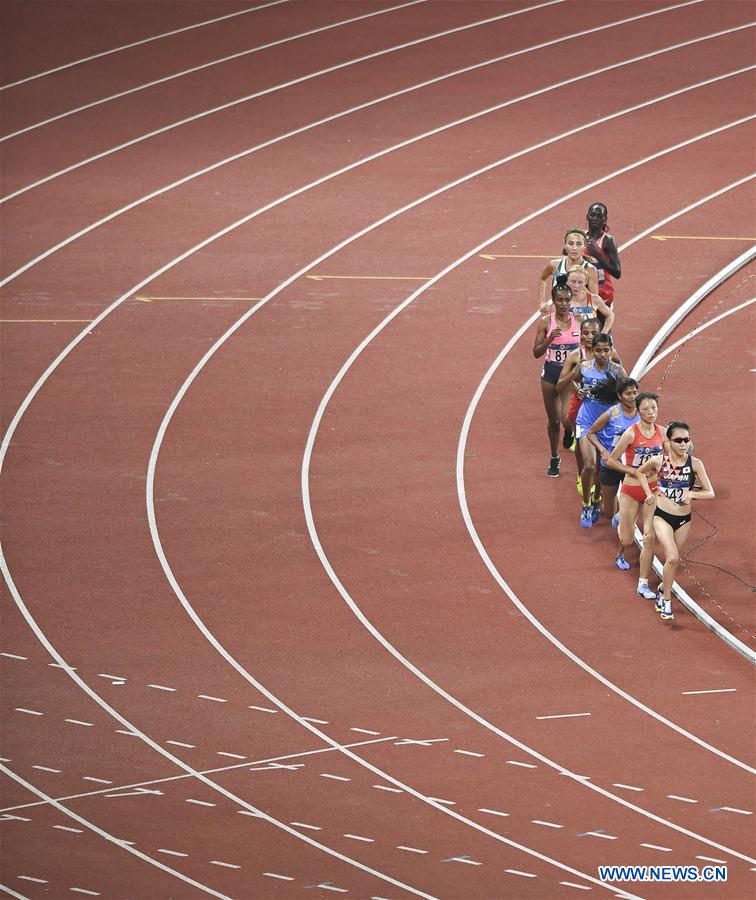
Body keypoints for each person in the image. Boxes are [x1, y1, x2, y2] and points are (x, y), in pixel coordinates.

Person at [635, 422, 715, 620]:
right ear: (669, 442)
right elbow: (639, 472)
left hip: (684, 519)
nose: (683, 444)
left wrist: (693, 495)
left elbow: (710, 493)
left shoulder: (695, 464)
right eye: (678, 440)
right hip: (662, 516)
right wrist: (648, 493)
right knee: (671, 557)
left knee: (674, 560)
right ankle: (667, 602)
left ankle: (663, 589)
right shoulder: (658, 461)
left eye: (686, 440)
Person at [605, 392, 666, 597]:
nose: (651, 412)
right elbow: (611, 460)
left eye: (654, 408)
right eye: (646, 408)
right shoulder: (631, 433)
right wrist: (632, 471)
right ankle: (621, 520)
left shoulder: (663, 433)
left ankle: (642, 584)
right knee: (627, 539)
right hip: (631, 490)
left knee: (649, 537)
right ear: (638, 411)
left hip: (653, 490)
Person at [570, 333, 626, 527]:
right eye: (598, 350)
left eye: (606, 350)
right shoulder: (584, 367)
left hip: (608, 426)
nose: (602, 354)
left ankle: (596, 499)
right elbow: (574, 381)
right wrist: (577, 390)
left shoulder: (617, 371)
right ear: (592, 351)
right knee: (589, 466)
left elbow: (628, 393)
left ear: (611, 350)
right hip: (586, 422)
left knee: (603, 468)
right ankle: (586, 503)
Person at [533, 283, 581, 477]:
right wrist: (548, 340)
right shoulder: (546, 322)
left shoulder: (578, 320)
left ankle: (569, 432)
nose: (563, 303)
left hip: (569, 374)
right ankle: (554, 457)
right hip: (551, 373)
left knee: (566, 417)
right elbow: (536, 353)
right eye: (559, 300)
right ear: (553, 301)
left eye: (567, 300)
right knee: (553, 420)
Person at [585, 378, 639, 525]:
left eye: (635, 392)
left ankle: (624, 525)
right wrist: (602, 450)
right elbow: (590, 433)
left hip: (631, 466)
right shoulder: (611, 414)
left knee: (630, 506)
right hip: (611, 465)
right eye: (628, 393)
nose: (633, 396)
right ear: (620, 396)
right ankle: (597, 499)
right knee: (609, 513)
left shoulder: (642, 413)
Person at [538, 229, 598, 311]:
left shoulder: (590, 269)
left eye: (579, 244)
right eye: (570, 243)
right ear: (565, 245)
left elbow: (595, 302)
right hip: (558, 317)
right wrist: (542, 302)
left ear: (584, 246)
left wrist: (578, 285)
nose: (574, 248)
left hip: (580, 318)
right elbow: (542, 279)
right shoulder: (554, 265)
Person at [584, 203, 621, 309]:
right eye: (592, 215)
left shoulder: (608, 241)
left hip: (603, 294)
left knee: (602, 325)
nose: (595, 219)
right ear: (587, 217)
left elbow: (617, 272)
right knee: (584, 325)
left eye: (599, 216)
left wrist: (598, 255)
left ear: (605, 219)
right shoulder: (580, 238)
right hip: (584, 294)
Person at [565, 265, 615, 332]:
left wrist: (604, 332)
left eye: (580, 282)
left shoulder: (594, 299)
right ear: (567, 281)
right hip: (569, 341)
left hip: (589, 341)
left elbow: (610, 315)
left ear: (585, 282)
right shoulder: (561, 301)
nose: (576, 286)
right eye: (573, 282)